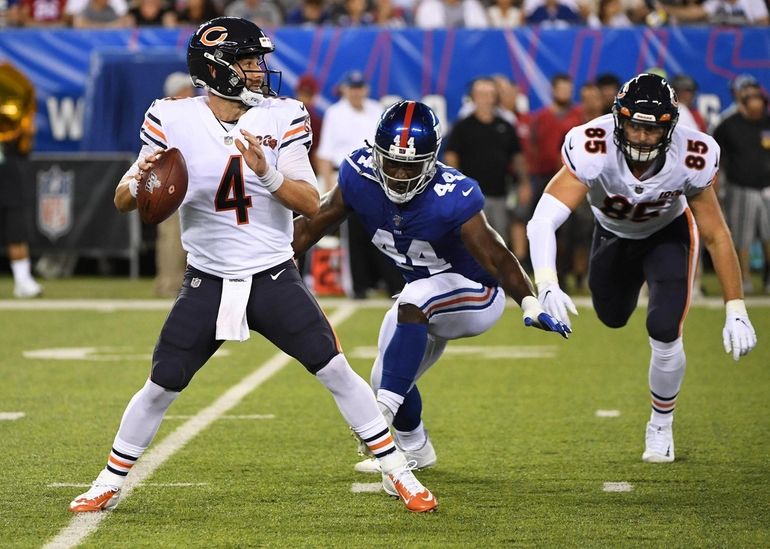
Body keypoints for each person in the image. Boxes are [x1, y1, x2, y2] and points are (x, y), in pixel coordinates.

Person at [69, 17, 436, 515]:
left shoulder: (284, 115)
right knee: (162, 383)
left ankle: (397, 471)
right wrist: (143, 186)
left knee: (336, 370)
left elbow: (310, 201)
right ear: (216, 68)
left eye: (258, 60)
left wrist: (265, 171)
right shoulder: (170, 117)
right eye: (247, 61)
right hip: (207, 277)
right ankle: (107, 481)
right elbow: (121, 200)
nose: (259, 70)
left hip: (272, 273)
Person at [293, 100, 571, 473]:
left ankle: (380, 419)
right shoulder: (359, 175)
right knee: (386, 374)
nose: (397, 174)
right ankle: (416, 448)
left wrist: (529, 301)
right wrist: (267, 256)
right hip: (423, 295)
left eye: (409, 166)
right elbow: (314, 224)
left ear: (431, 161)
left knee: (415, 300)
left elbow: (496, 254)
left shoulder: (451, 195)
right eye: (390, 162)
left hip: (475, 295)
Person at [527, 73, 758, 464]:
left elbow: (717, 235)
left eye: (652, 130)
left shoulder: (693, 153)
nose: (640, 137)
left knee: (665, 328)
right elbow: (542, 221)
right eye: (633, 125)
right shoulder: (593, 144)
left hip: (668, 234)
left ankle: (661, 424)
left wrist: (735, 306)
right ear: (618, 118)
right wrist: (546, 282)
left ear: (670, 127)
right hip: (613, 234)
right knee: (612, 316)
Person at [713, 80, 770, 294]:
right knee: (741, 237)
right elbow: (716, 160)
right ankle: (743, 278)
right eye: (752, 101)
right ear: (743, 104)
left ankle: (768, 278)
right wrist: (717, 189)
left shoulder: (768, 123)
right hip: (740, 186)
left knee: (769, 235)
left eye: (760, 101)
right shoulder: (728, 125)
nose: (757, 105)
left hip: (768, 186)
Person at [0, 61, 43, 298]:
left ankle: (23, 280)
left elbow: (27, 133)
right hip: (9, 170)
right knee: (15, 224)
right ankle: (23, 280)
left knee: (16, 225)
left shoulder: (13, 87)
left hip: (10, 169)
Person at [153, 72, 196, 298]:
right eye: (188, 89)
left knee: (172, 234)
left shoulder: (170, 114)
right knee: (172, 234)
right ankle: (169, 282)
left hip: (175, 180)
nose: (192, 93)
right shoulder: (172, 116)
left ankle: (168, 280)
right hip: (172, 181)